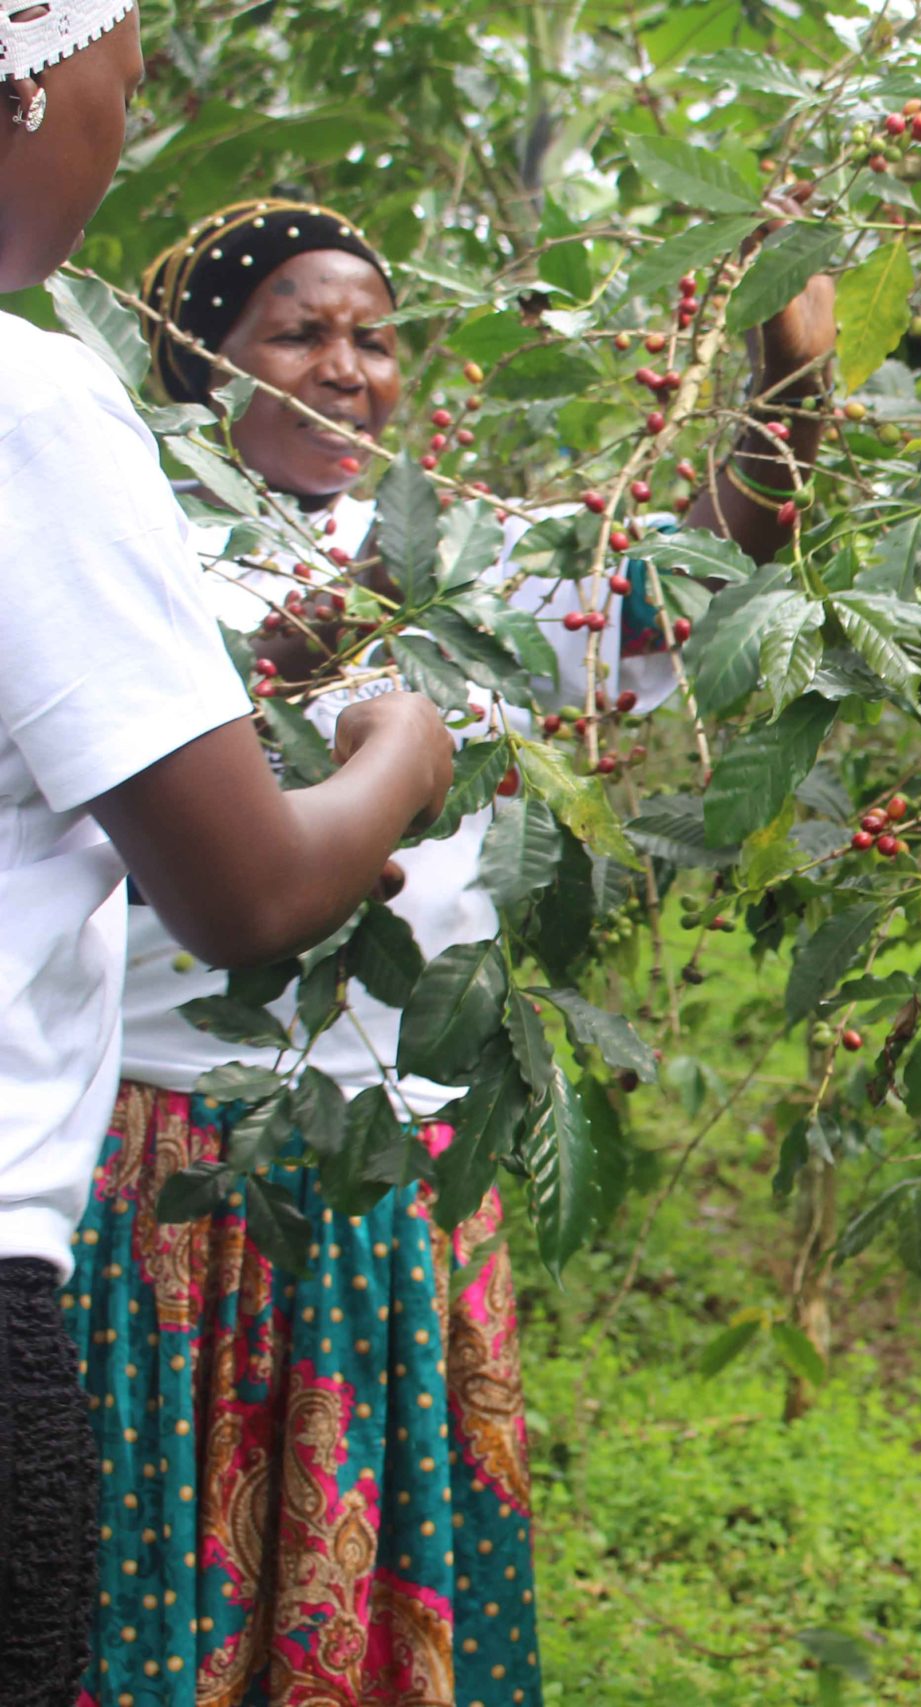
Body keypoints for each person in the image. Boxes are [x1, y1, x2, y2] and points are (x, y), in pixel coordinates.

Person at [53, 186, 839, 1707]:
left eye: (373, 335)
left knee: (367, 1551)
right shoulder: (141, 555)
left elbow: (711, 573)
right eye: (298, 331)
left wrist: (791, 390)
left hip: (398, 1154)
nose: (349, 367)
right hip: (173, 1155)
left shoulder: (465, 564)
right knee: (150, 1574)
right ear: (203, 365)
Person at [0, 12, 454, 1705]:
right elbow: (247, 889)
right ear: (36, 82)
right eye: (125, 61)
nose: (129, 106)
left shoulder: (422, 542)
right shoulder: (36, 407)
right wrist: (398, 759)